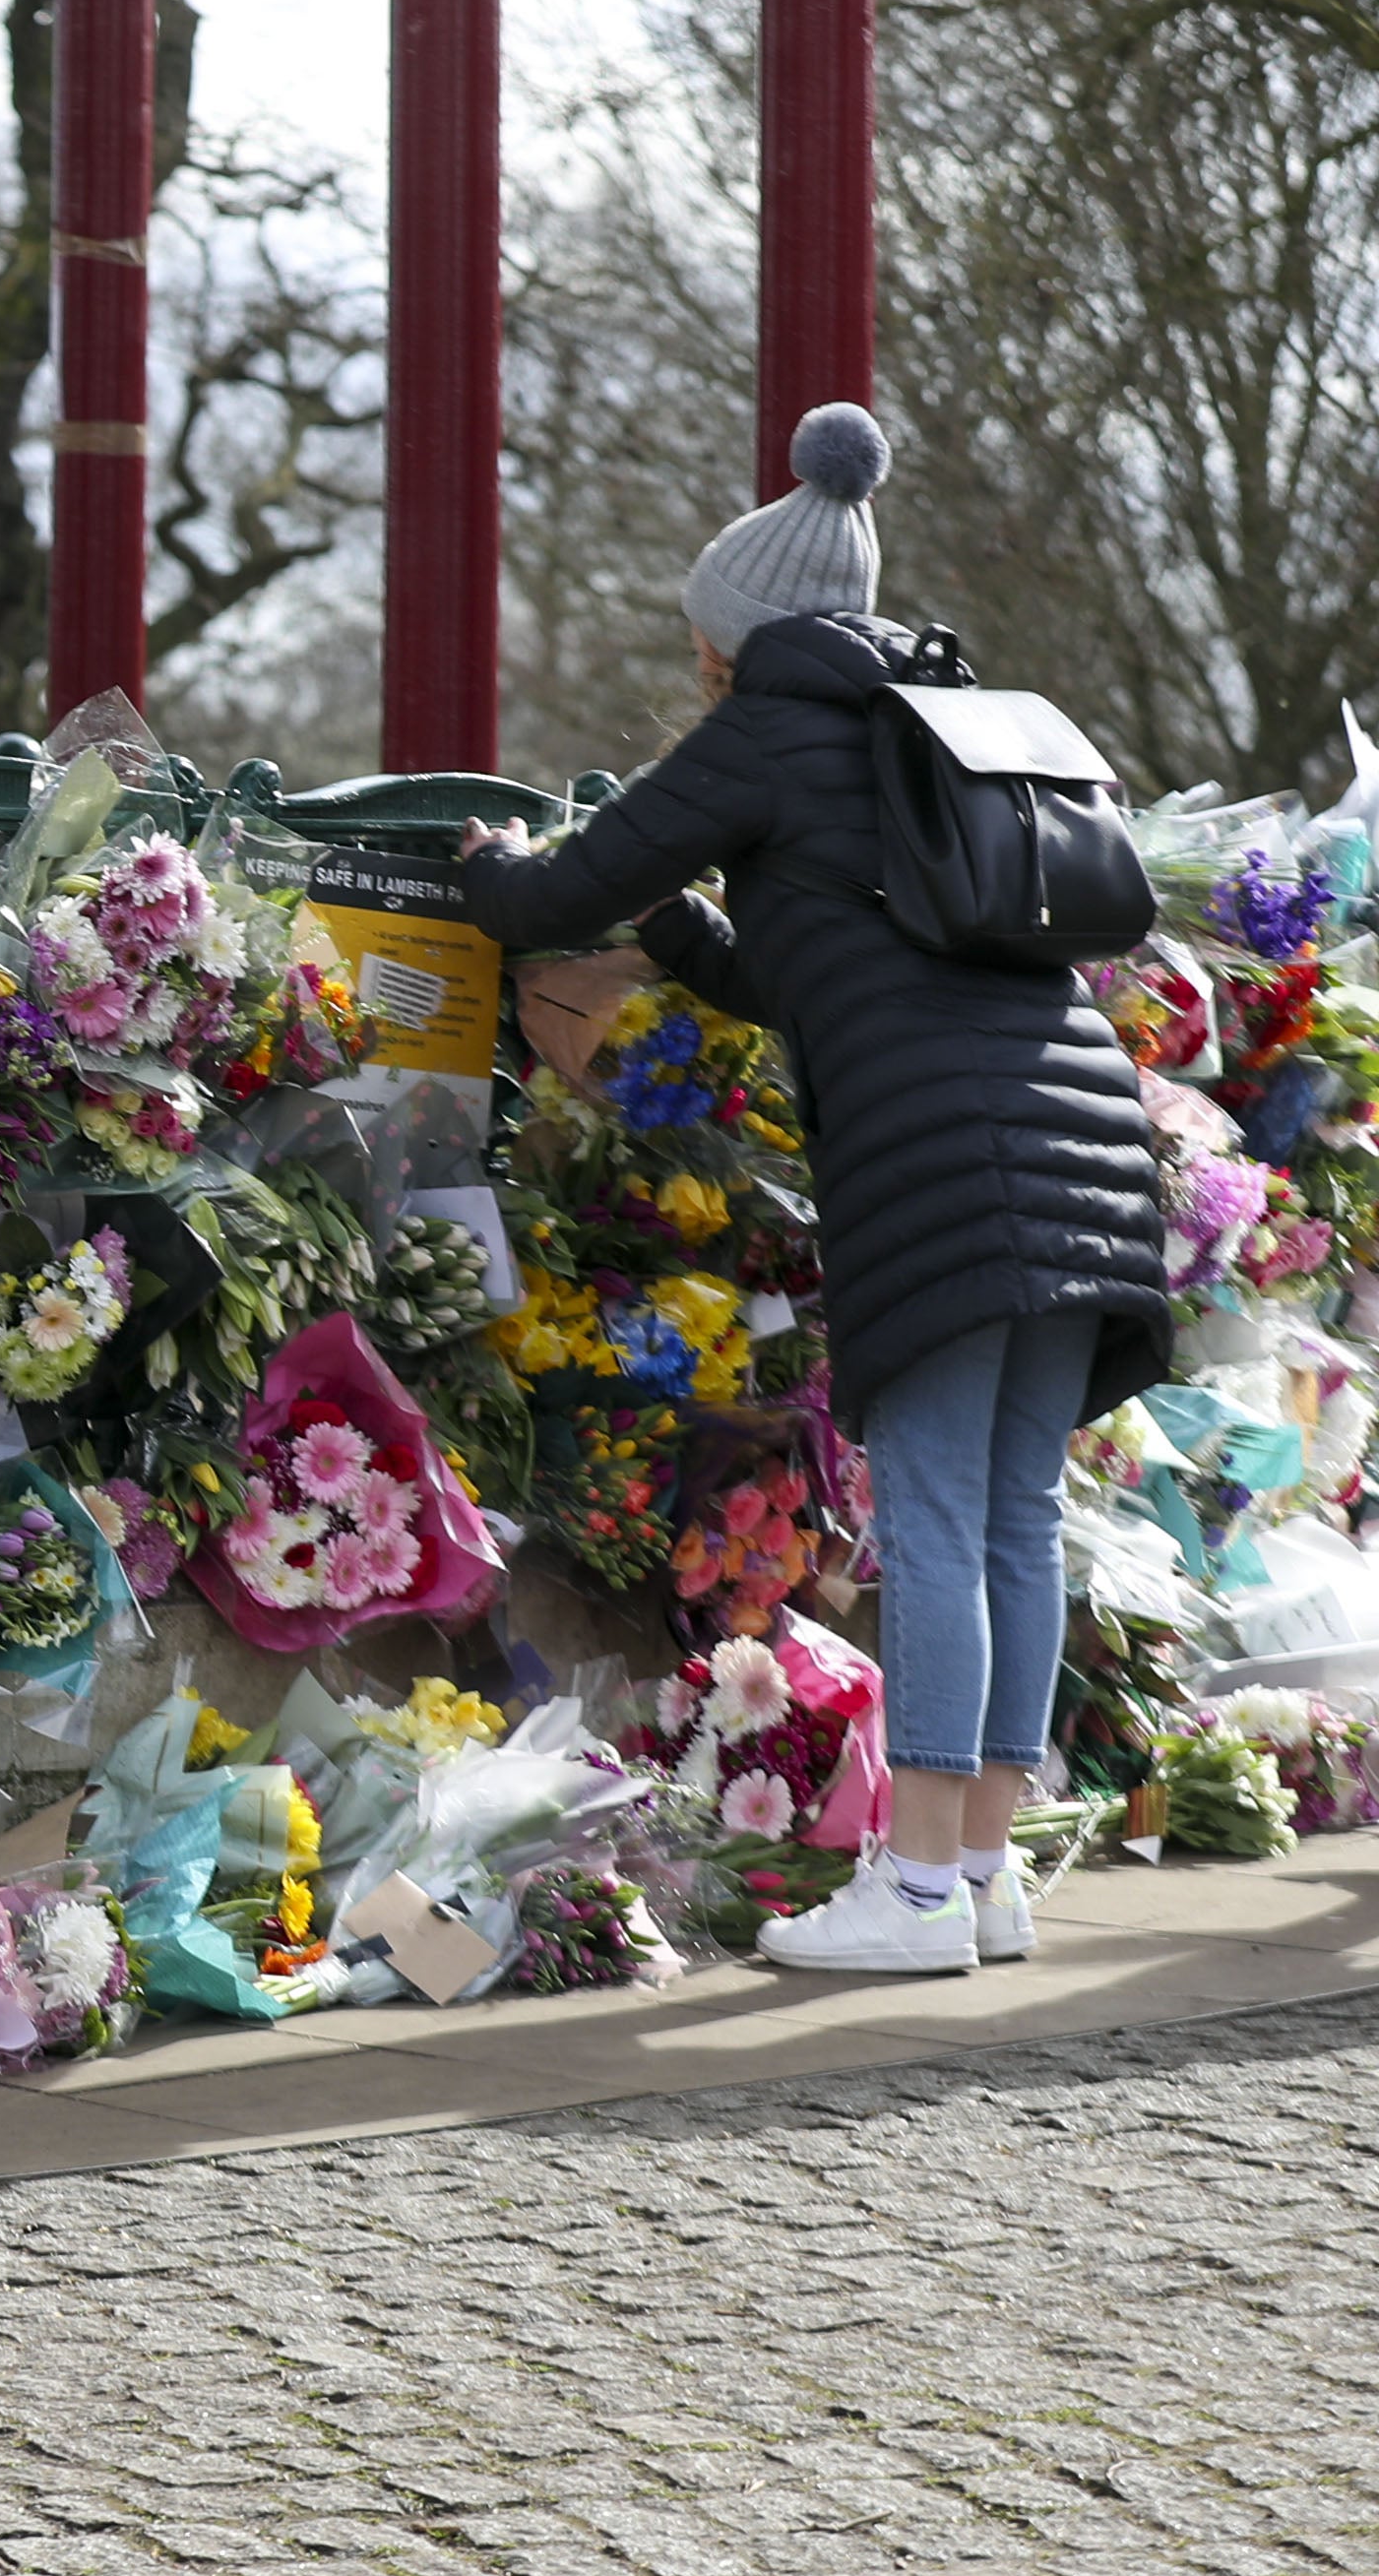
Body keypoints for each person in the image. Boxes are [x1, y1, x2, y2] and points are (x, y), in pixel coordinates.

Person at [453, 401, 1173, 1978]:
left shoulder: (772, 728)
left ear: (740, 635)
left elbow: (577, 883)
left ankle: (909, 1893)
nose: (700, 665)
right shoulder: (943, 725)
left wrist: (489, 868)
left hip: (948, 1173)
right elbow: (816, 967)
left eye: (707, 639)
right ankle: (981, 1875)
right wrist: (689, 941)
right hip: (1080, 1152)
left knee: (927, 1522)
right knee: (1010, 1520)